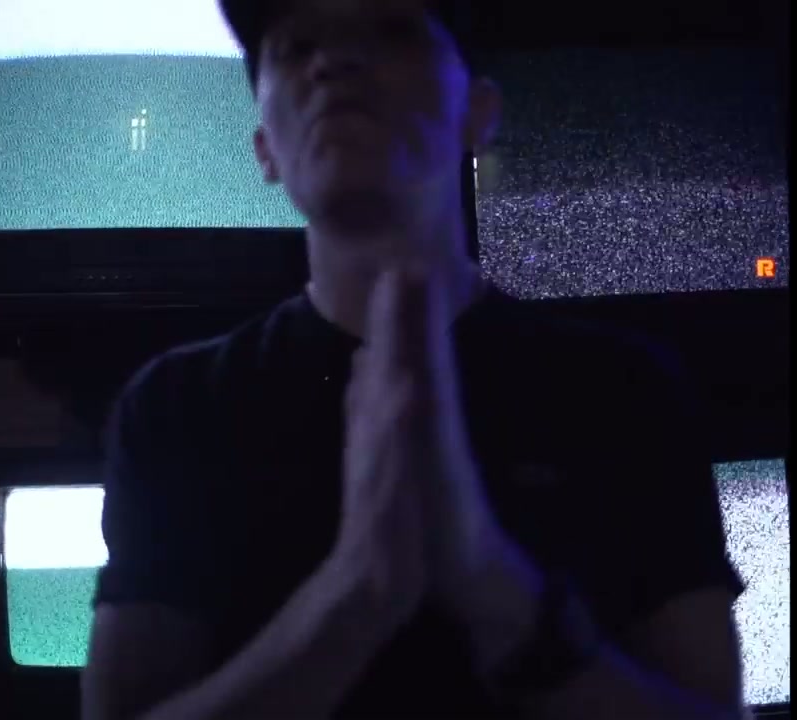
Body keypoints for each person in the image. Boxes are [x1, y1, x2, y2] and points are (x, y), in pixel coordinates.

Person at [81, 0, 747, 717]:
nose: (332, 62)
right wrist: (357, 594)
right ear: (265, 149)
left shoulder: (625, 394)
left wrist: (489, 580)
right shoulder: (176, 408)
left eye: (392, 29)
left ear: (478, 113)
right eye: (297, 46)